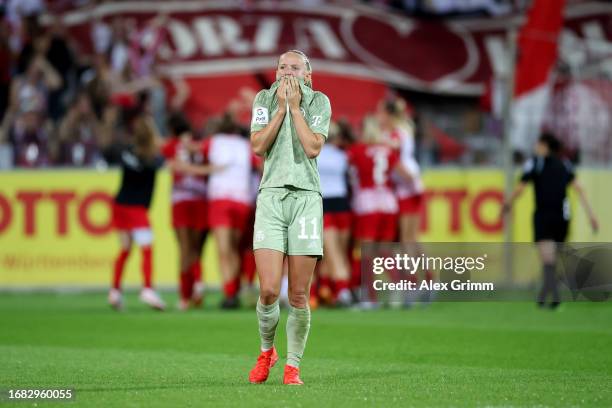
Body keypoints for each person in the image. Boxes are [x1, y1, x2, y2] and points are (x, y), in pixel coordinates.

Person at [247, 50, 331, 385]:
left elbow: (313, 147)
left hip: (306, 199)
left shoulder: (319, 102)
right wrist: (281, 109)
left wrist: (295, 109)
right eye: (282, 66)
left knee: (298, 294)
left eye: (295, 68)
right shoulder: (264, 99)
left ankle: (293, 365)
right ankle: (267, 351)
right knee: (268, 289)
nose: (287, 72)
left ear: (308, 75)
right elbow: (257, 145)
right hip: (271, 198)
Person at [502, 133, 598, 309]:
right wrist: (591, 215)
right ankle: (546, 293)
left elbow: (520, 188)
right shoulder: (565, 164)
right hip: (563, 216)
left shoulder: (536, 163)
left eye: (538, 144)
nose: (536, 147)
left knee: (547, 257)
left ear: (545, 146)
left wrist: (507, 204)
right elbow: (579, 189)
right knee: (552, 257)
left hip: (545, 215)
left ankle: (551, 293)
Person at [107, 114, 166, 311]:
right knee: (147, 247)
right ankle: (147, 288)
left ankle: (115, 291)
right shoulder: (153, 158)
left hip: (120, 204)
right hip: (136, 208)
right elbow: (161, 158)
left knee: (125, 248)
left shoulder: (127, 153)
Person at [201, 113, 259, 309]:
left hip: (220, 199)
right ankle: (234, 290)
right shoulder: (246, 145)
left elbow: (197, 153)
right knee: (234, 249)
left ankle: (230, 292)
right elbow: (259, 165)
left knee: (224, 250)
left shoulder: (212, 142)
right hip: (242, 201)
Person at [161, 113, 210, 311]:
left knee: (184, 249)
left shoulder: (171, 145)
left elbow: (166, 159)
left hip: (181, 200)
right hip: (200, 199)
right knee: (196, 249)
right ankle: (197, 286)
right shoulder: (201, 146)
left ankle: (184, 296)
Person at [317, 121, 353, 307]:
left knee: (331, 253)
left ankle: (342, 290)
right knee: (339, 253)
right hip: (343, 205)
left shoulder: (314, 154)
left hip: (324, 204)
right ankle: (329, 290)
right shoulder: (343, 156)